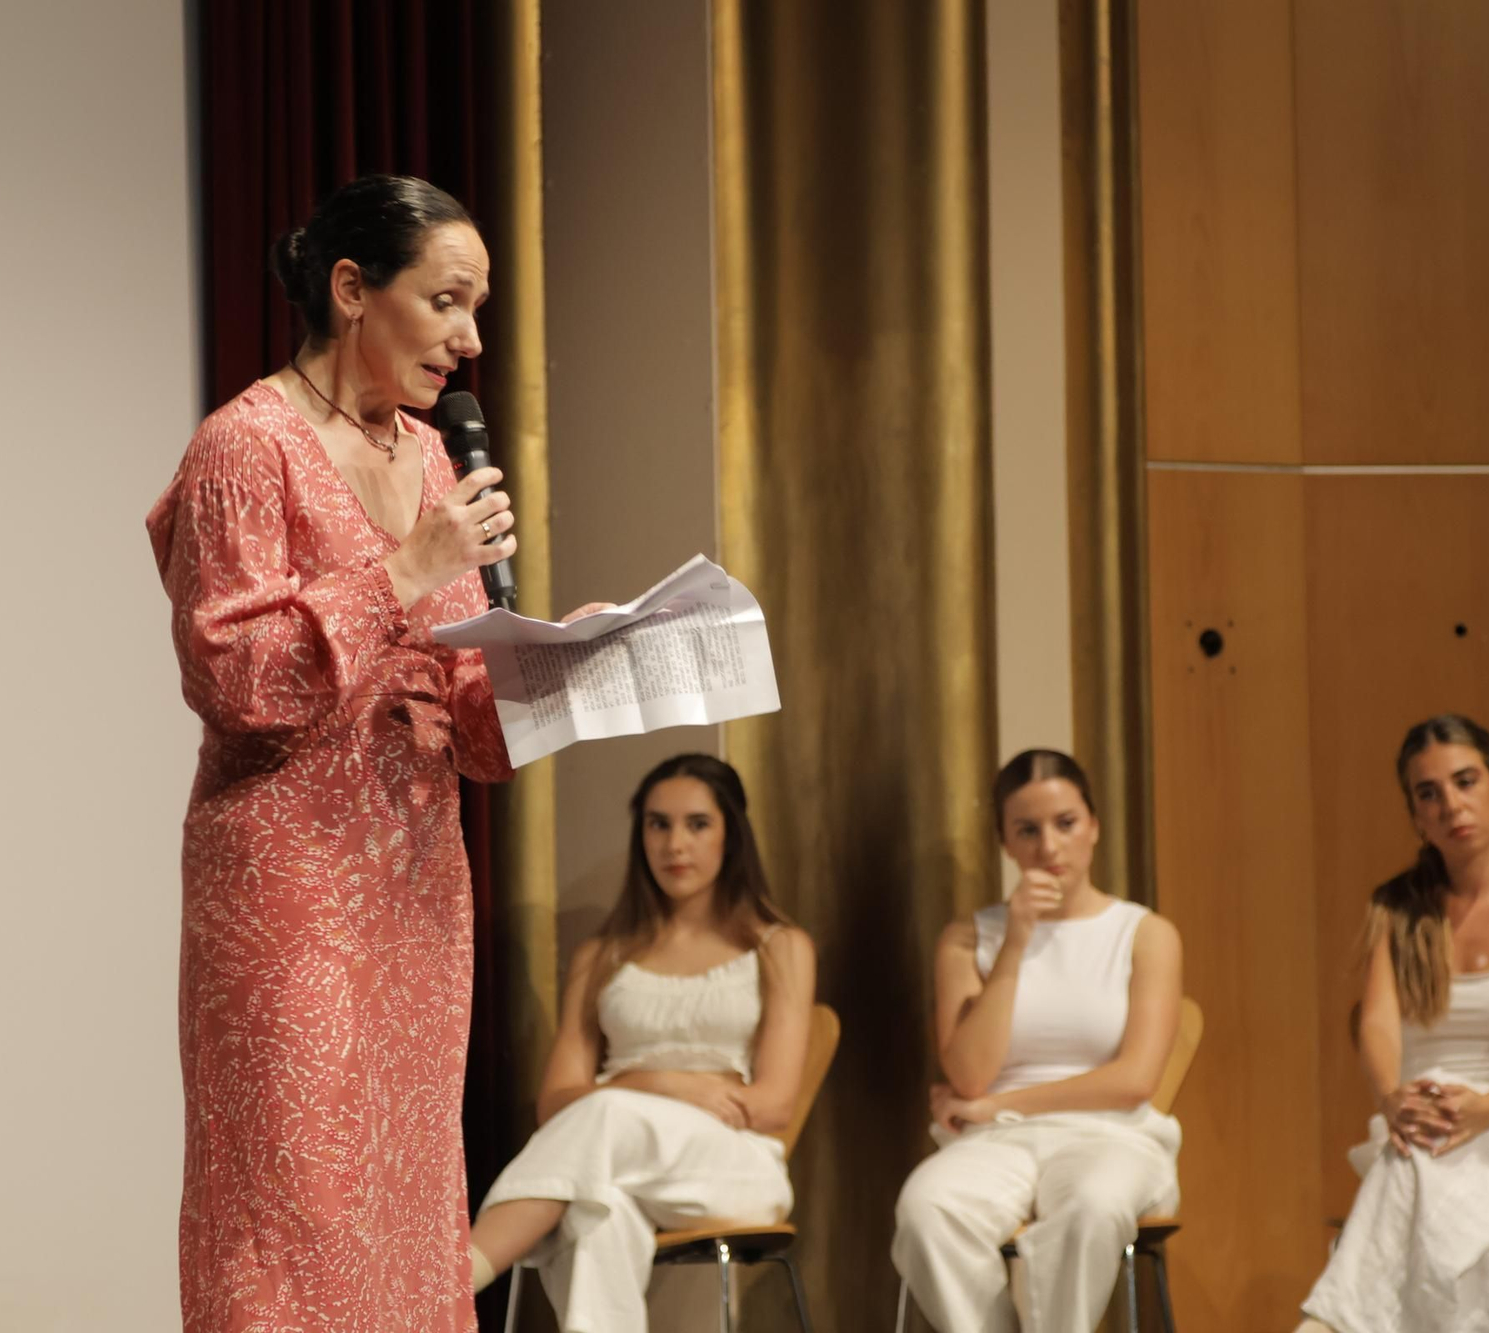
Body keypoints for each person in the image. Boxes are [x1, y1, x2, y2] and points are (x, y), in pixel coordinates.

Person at [149, 174, 594, 1332]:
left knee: (403, 1202)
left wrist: (547, 673)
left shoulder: (434, 462)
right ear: (351, 290)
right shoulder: (246, 447)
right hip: (288, 884)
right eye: (446, 300)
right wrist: (399, 571)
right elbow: (235, 682)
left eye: (477, 306)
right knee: (292, 1199)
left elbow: (464, 713)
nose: (470, 337)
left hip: (414, 887)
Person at [469, 753, 817, 1330]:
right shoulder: (602, 955)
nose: (675, 843)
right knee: (597, 1215)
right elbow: (555, 1102)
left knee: (604, 1118)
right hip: (610, 1152)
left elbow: (775, 1104)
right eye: (658, 824)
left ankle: (449, 1287)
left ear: (731, 833)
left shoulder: (778, 947)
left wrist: (624, 1094)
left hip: (734, 1165)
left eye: (696, 824)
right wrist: (660, 1083)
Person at [1296, 715, 1489, 1333]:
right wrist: (1391, 1098)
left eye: (1466, 782)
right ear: (1414, 814)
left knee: (1416, 1164)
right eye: (1428, 793)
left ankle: (1329, 1326)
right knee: (1421, 1160)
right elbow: (1378, 1026)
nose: (1450, 805)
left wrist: (1485, 1108)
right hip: (1421, 1116)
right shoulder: (1397, 908)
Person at [892, 749, 1185, 1332]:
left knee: (1092, 1208)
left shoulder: (1145, 934)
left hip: (1112, 1136)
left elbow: (1135, 1082)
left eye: (1065, 824)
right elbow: (970, 1074)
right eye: (1027, 830)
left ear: (1094, 827)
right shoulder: (967, 938)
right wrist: (1017, 940)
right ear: (1005, 841)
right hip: (995, 1144)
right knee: (926, 1210)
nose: (1048, 848)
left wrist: (998, 1106)